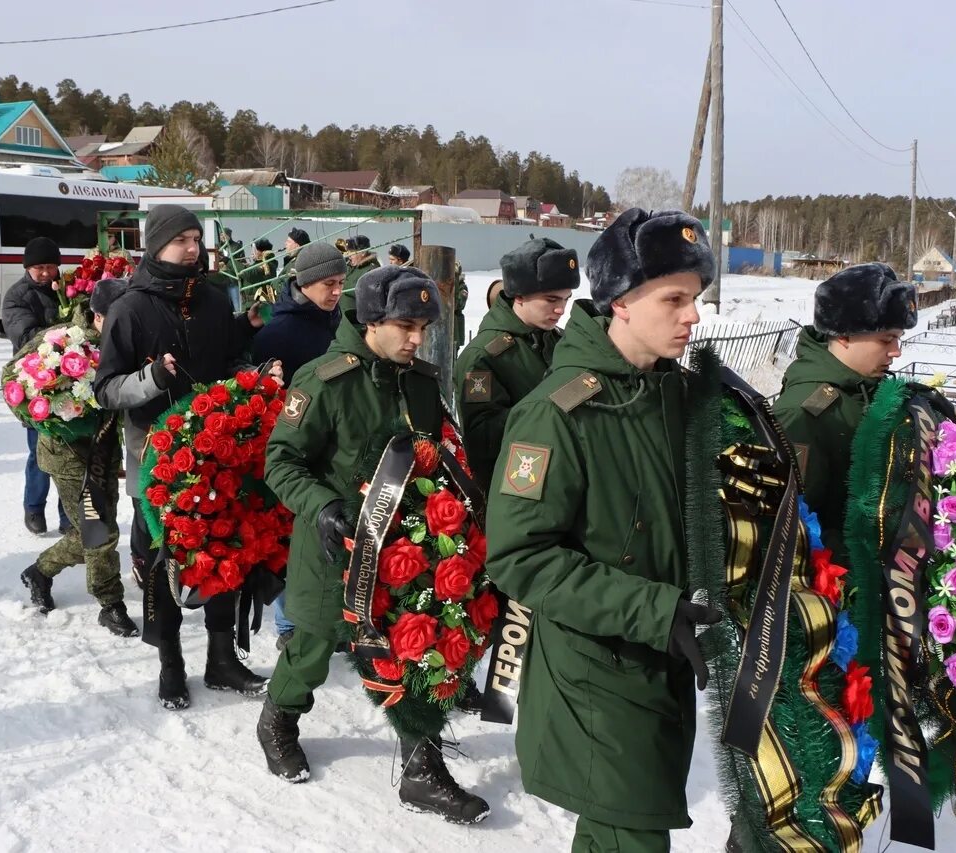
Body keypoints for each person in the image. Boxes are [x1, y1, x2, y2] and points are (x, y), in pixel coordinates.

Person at [484, 209, 723, 852]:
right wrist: (654, 607)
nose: (692, 316)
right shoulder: (557, 414)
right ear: (619, 301)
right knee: (633, 835)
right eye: (673, 298)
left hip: (658, 662)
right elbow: (519, 556)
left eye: (695, 298)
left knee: (614, 833)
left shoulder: (676, 396)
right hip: (598, 670)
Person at [258, 264, 490, 824]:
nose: (417, 338)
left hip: (406, 553)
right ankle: (278, 720)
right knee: (312, 651)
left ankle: (420, 767)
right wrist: (324, 506)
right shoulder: (323, 380)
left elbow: (438, 451)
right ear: (371, 321)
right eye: (406, 326)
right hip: (333, 551)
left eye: (424, 327)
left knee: (410, 652)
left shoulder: (421, 380)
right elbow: (280, 462)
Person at [93, 204, 273, 710]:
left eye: (197, 238)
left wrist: (248, 340)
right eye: (181, 240)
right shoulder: (131, 308)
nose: (192, 248)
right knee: (161, 567)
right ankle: (170, 663)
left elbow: (224, 356)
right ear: (156, 246)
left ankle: (221, 659)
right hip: (158, 467)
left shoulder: (214, 299)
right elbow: (104, 389)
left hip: (217, 458)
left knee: (224, 554)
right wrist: (152, 379)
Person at [772, 263, 918, 565]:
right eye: (885, 339)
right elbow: (793, 523)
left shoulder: (864, 390)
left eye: (898, 338)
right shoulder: (806, 412)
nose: (896, 351)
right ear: (844, 336)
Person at [19, 278, 138, 638]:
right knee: (98, 531)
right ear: (99, 316)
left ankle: (40, 570)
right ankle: (110, 604)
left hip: (102, 450)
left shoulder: (122, 343)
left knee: (96, 531)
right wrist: (52, 414)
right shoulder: (60, 341)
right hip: (67, 455)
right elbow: (18, 385)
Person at [250, 241, 346, 649]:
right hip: (293, 449)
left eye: (342, 282)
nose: (338, 291)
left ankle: (333, 617)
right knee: (289, 541)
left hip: (336, 447)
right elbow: (259, 391)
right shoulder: (280, 332)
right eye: (329, 283)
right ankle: (289, 625)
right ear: (305, 284)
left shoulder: (340, 321)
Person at [455, 238, 578, 491]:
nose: (560, 310)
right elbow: (481, 438)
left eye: (566, 300)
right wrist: (549, 412)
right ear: (518, 295)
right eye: (551, 300)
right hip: (516, 488)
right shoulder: (483, 356)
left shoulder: (560, 342)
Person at [3, 237, 72, 537]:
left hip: (72, 382)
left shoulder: (68, 289)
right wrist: (69, 334)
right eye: (38, 268)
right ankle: (33, 506)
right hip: (36, 385)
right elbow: (28, 337)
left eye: (50, 267)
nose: (45, 273)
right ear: (28, 268)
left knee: (71, 453)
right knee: (40, 450)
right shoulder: (16, 296)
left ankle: (68, 514)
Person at [338, 234, 380, 315]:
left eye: (352, 252)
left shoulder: (372, 270)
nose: (349, 256)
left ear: (363, 252)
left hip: (355, 323)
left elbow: (369, 296)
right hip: (341, 321)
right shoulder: (349, 266)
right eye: (348, 252)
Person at [240, 237, 278, 305]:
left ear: (262, 251)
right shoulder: (258, 263)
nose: (252, 253)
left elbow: (247, 274)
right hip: (250, 303)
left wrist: (229, 262)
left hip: (260, 304)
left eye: (254, 250)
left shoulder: (268, 264)